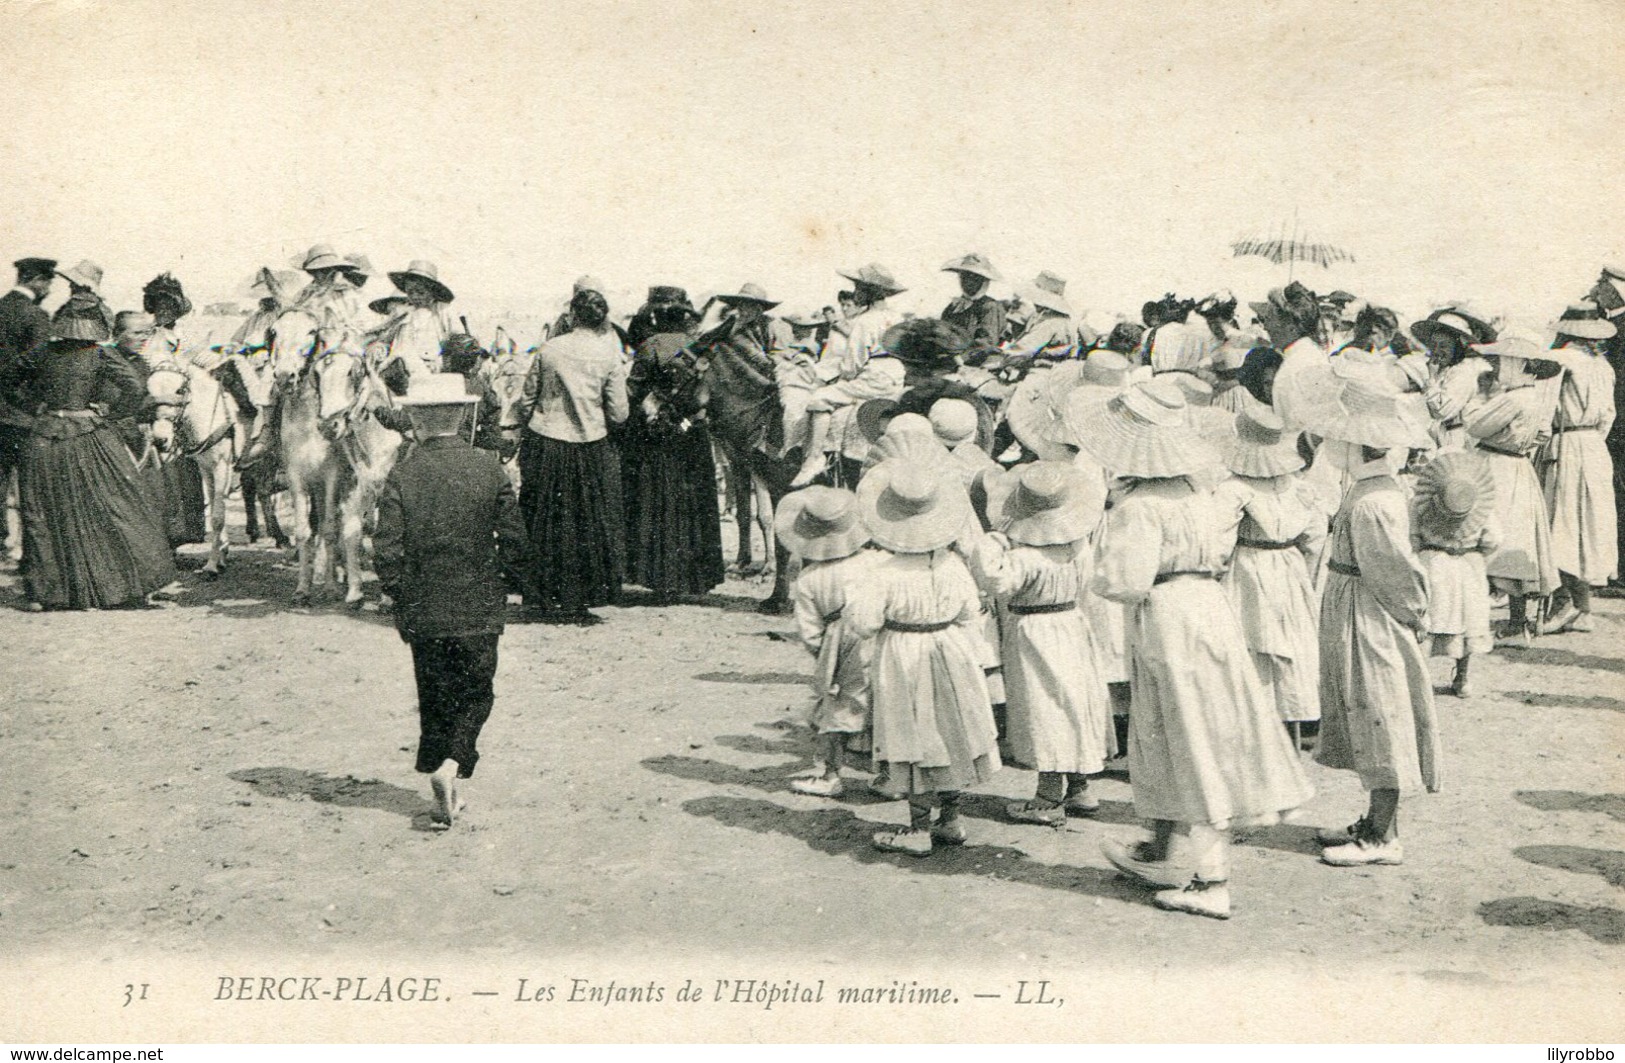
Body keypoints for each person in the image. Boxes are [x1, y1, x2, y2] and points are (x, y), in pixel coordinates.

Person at [1074, 378, 1312, 919]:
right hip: (1208, 607)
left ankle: (1211, 880)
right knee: (1172, 730)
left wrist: (1096, 564)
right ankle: (1158, 848)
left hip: (1169, 618)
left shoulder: (1139, 507)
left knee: (1189, 735)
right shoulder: (1197, 492)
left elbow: (1124, 581)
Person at [373, 373, 528, 829]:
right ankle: (454, 765)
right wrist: (507, 581)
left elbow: (386, 546)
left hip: (424, 605)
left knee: (435, 693)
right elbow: (515, 538)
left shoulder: (404, 470)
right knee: (477, 691)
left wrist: (400, 592)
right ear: (463, 415)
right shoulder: (488, 466)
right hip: (479, 601)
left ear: (415, 420)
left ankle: (442, 771)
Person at [1310, 373, 1439, 867]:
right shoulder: (1367, 491)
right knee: (1366, 713)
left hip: (1373, 618)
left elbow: (1394, 573)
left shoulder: (1375, 502)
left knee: (1381, 714)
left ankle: (1383, 836)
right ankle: (1375, 820)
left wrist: (1414, 616)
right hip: (1354, 606)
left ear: (1360, 445)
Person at [845, 459, 1000, 855]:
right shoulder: (953, 565)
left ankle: (918, 829)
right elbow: (970, 612)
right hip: (951, 650)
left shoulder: (884, 572)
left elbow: (863, 622)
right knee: (949, 733)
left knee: (911, 734)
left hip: (903, 656)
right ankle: (950, 818)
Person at [1, 309, 175, 609]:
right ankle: (115, 587)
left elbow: (6, 380)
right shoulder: (99, 354)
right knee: (116, 505)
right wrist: (110, 410)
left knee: (43, 514)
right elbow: (134, 387)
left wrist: (34, 408)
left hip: (44, 436)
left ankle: (48, 595)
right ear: (95, 328)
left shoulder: (43, 351)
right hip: (88, 433)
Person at [972, 461, 1113, 826]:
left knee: (1044, 707)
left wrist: (993, 540)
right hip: (1072, 624)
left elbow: (993, 581)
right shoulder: (1080, 547)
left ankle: (1048, 797)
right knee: (1074, 702)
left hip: (1035, 632)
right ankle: (1079, 786)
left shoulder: (1022, 558)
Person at [517, 280, 629, 624]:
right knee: (588, 523)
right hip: (592, 446)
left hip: (547, 440)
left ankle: (540, 596)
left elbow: (526, 400)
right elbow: (619, 412)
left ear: (572, 315)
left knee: (544, 519)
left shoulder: (549, 349)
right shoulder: (610, 354)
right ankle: (580, 599)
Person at [1213, 407, 1325, 747]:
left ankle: (1257, 739)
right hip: (1289, 565)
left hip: (1248, 566)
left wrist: (1216, 571)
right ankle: (1290, 734)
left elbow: (1217, 541)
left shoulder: (1233, 489)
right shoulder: (1298, 486)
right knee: (1290, 645)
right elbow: (1316, 536)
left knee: (1251, 647)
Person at [621, 288, 724, 601]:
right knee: (694, 501)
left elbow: (633, 390)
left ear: (656, 315)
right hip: (692, 429)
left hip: (659, 434)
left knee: (659, 500)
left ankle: (661, 577)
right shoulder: (704, 348)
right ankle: (693, 577)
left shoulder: (650, 346)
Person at [779, 486, 879, 797]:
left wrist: (824, 656)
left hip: (838, 640)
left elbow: (809, 630)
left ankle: (832, 774)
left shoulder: (809, 579)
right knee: (882, 703)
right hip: (878, 633)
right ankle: (889, 777)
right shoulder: (877, 561)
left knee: (836, 706)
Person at [1466, 327, 1562, 639]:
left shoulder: (1511, 399)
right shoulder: (1535, 397)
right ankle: (1517, 622)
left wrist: (1482, 398)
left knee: (1486, 538)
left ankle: (1481, 620)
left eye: (1499, 364)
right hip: (1519, 468)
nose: (1494, 369)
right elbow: (1544, 432)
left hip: (1494, 466)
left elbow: (1476, 426)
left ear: (1516, 364)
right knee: (1515, 541)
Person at [792, 265, 909, 487]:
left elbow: (851, 365)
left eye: (858, 288)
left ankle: (813, 459)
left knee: (819, 397)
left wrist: (837, 375)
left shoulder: (864, 321)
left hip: (873, 379)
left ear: (868, 292)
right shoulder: (898, 317)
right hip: (897, 377)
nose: (855, 293)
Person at [1541, 307, 1617, 633]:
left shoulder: (1561, 359)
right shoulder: (1603, 366)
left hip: (1567, 442)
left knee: (1561, 520)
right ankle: (1582, 607)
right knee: (1588, 523)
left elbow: (1544, 409)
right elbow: (1608, 417)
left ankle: (1564, 602)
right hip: (1594, 446)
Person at [1412, 451, 1499, 697]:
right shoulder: (1480, 505)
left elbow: (1412, 535)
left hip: (1432, 563)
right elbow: (1494, 538)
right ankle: (1462, 678)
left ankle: (1420, 679)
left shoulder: (1420, 502)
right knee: (1468, 621)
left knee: (1429, 620)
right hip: (1468, 565)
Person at [0, 257, 57, 558]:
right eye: (48, 283)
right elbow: (41, 363)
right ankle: (27, 550)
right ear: (38, 281)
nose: (49, 289)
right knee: (29, 485)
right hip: (23, 413)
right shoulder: (35, 315)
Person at [1414, 307, 1499, 452]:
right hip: (1444, 436)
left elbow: (1443, 411)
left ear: (1458, 347)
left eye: (1444, 346)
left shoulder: (1465, 371)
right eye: (1434, 345)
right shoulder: (1447, 369)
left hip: (1457, 439)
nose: (1437, 351)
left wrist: (1432, 379)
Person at [376, 260, 455, 381]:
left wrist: (442, 362)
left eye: (420, 292)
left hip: (435, 370)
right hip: (401, 370)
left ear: (432, 291)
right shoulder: (403, 314)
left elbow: (458, 341)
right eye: (410, 292)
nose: (415, 296)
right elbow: (384, 338)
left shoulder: (442, 311)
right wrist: (380, 348)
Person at [940, 253, 1005, 349]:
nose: (967, 282)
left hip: (977, 358)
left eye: (974, 278)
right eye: (964, 277)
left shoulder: (990, 306)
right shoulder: (953, 307)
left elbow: (986, 342)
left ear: (983, 282)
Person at [53, 260, 114, 335]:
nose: (70, 286)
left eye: (74, 283)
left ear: (85, 287)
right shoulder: (103, 309)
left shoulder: (71, 306)